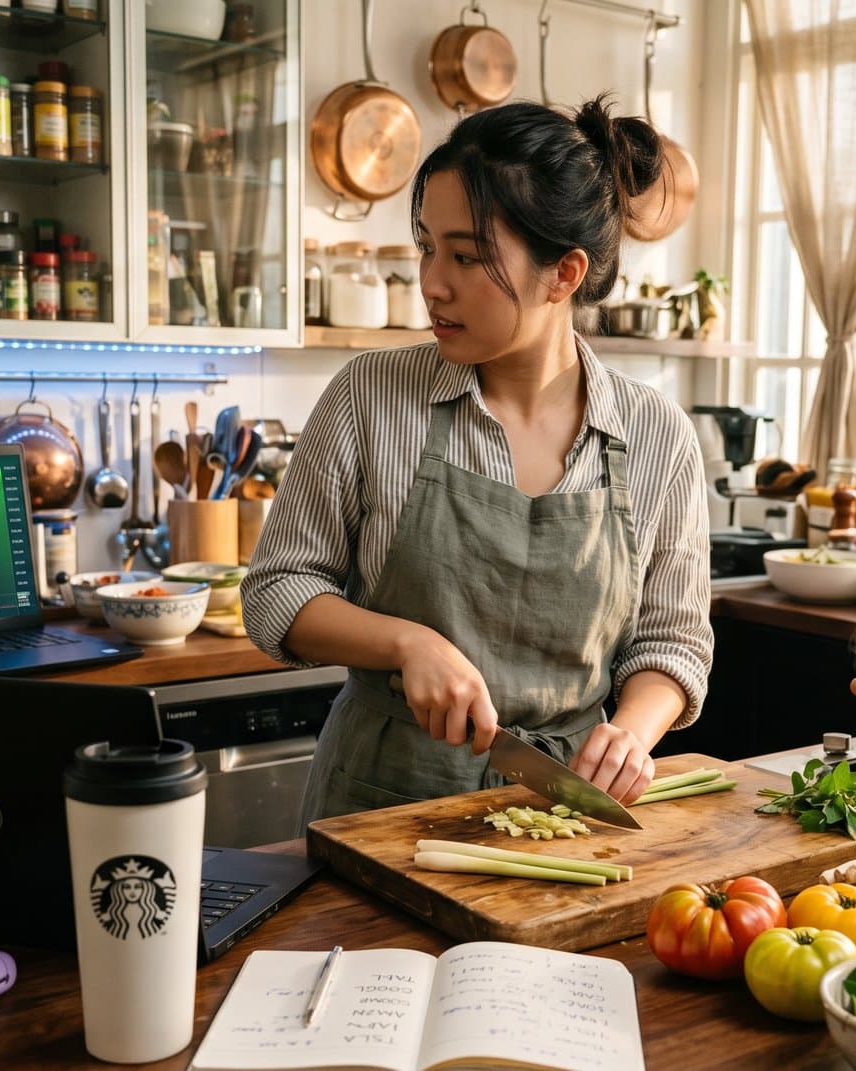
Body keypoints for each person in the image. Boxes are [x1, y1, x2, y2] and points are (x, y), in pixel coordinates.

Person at [242, 95, 713, 822]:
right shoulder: (370, 395)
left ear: (564, 274)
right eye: (427, 247)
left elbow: (672, 641)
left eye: (465, 257)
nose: (433, 282)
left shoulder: (657, 435)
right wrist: (407, 643)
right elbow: (277, 589)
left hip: (565, 812)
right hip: (381, 800)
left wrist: (630, 734)